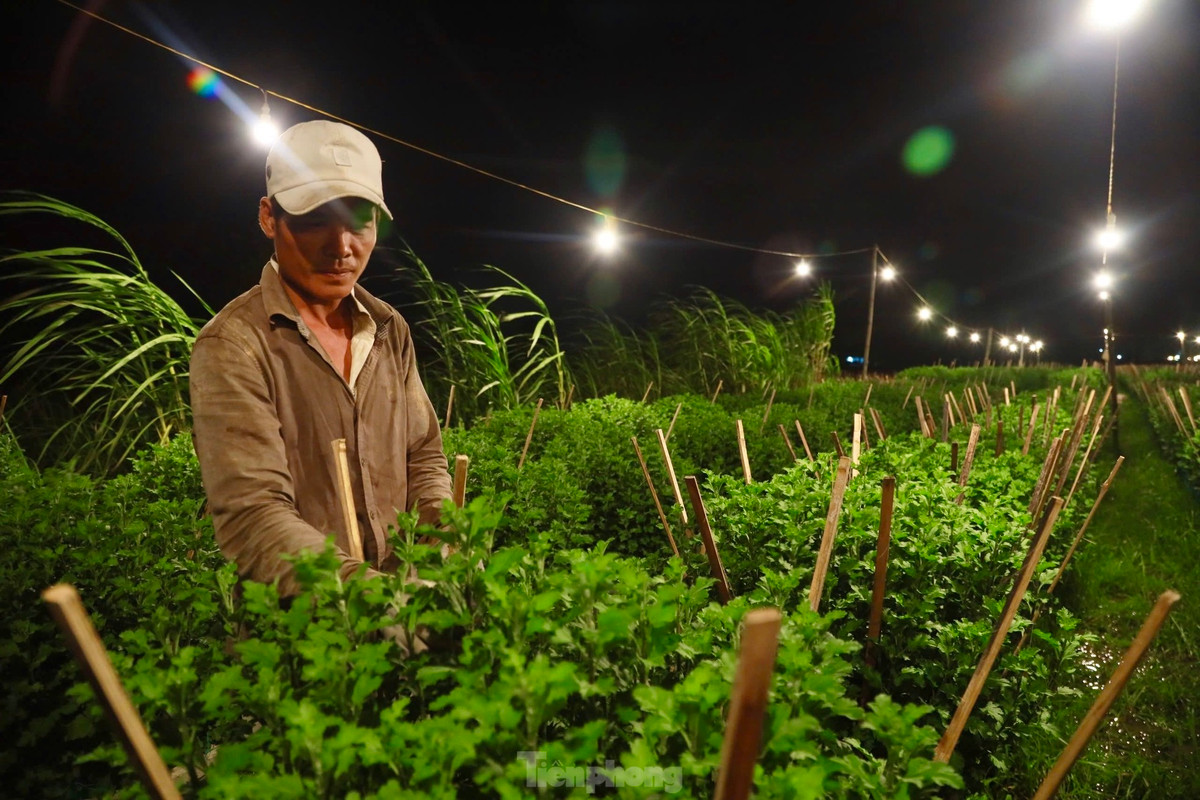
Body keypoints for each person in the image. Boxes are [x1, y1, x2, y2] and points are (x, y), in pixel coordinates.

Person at [190, 119, 452, 598]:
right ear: (270, 217)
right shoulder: (234, 346)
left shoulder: (389, 329)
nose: (342, 248)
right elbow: (254, 521)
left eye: (360, 222)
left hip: (413, 621)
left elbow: (424, 454)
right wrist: (376, 599)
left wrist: (443, 532)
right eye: (315, 221)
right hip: (305, 644)